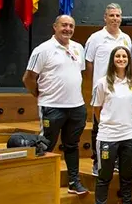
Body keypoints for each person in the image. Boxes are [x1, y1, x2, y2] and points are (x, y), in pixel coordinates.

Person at [23, 15, 88, 194]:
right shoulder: (43, 49)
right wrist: (39, 95)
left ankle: (74, 182)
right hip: (52, 106)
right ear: (55, 27)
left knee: (72, 145)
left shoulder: (78, 48)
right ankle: (39, 183)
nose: (67, 29)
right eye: (64, 25)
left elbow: (77, 73)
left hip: (76, 106)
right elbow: (28, 78)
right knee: (46, 144)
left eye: (71, 26)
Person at [91, 46, 132, 204]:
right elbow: (97, 109)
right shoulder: (103, 82)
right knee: (104, 176)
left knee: (127, 175)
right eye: (118, 56)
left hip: (129, 135)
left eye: (124, 56)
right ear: (113, 59)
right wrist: (108, 124)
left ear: (129, 59)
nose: (121, 59)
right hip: (107, 136)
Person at [84, 3, 132, 176]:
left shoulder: (126, 38)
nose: (115, 19)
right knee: (99, 125)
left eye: (118, 15)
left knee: (121, 124)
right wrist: (97, 83)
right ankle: (98, 162)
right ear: (105, 17)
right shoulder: (95, 38)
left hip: (122, 90)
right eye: (112, 15)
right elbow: (88, 63)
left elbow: (128, 64)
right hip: (103, 90)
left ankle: (117, 161)